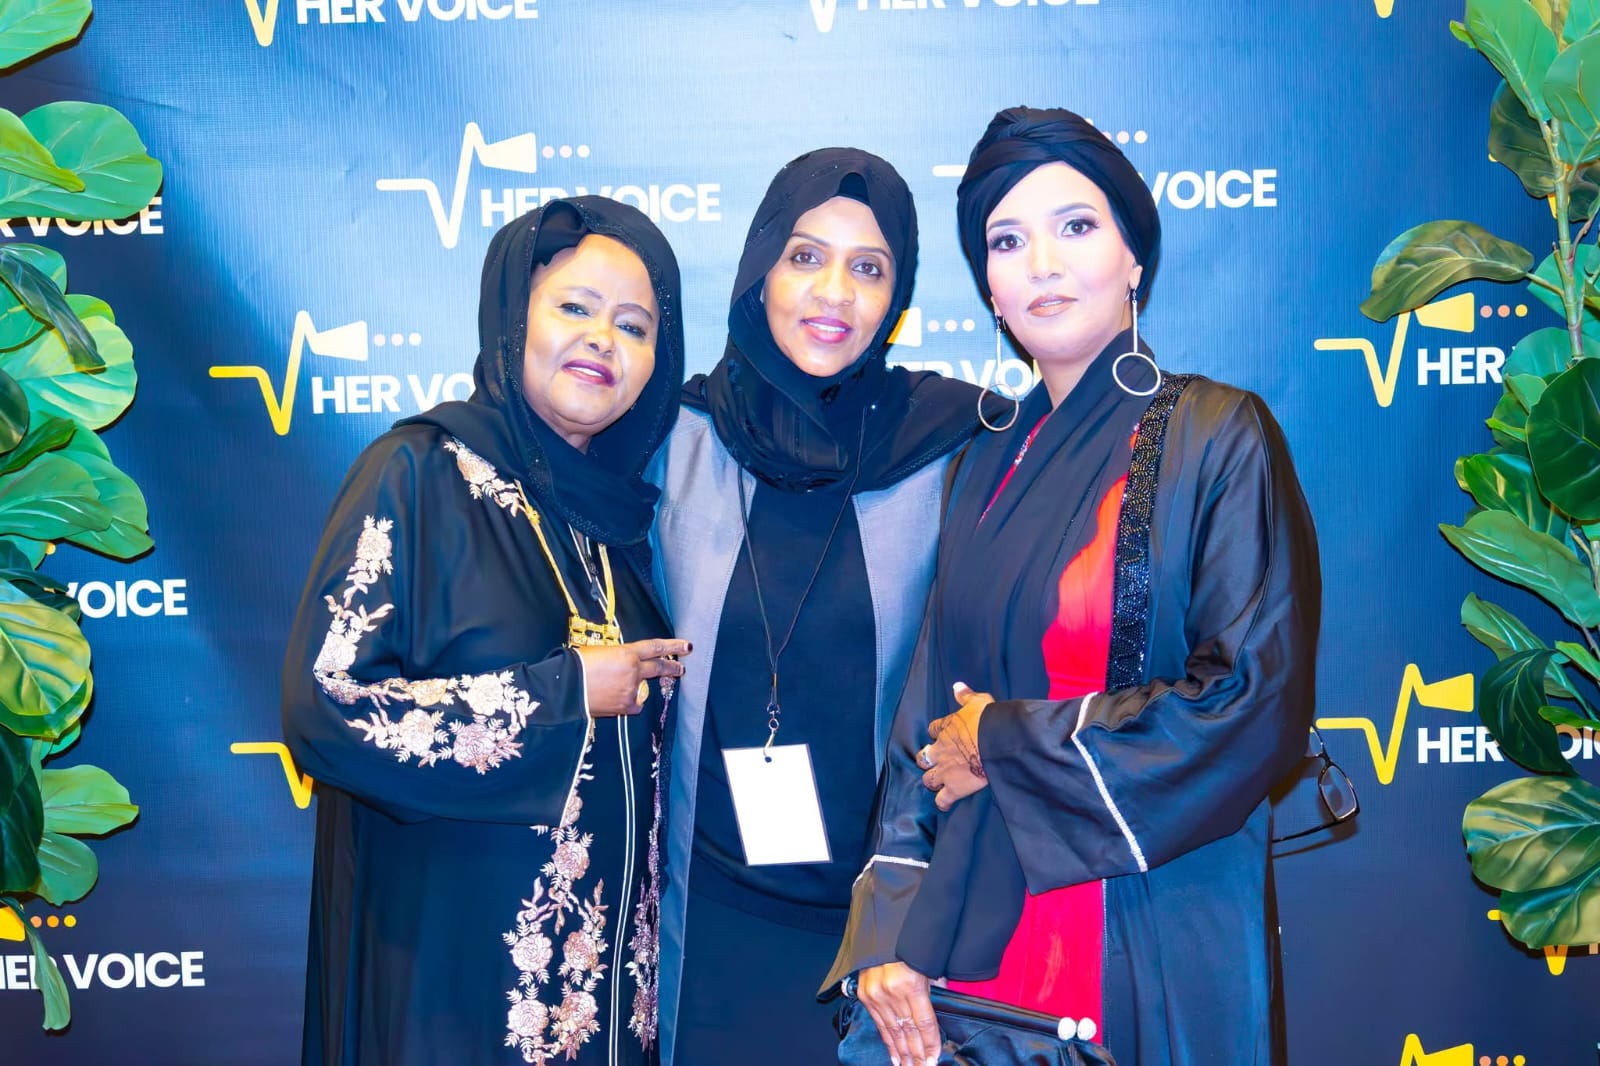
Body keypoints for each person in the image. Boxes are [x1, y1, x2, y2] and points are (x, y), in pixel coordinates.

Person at [826, 107, 1321, 1066]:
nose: (1042, 265)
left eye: (1076, 226)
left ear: (1134, 257)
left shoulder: (1215, 435)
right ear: (990, 288)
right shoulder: (981, 465)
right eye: (1007, 241)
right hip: (970, 954)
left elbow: (1250, 703)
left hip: (1149, 924)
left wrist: (1003, 744)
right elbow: (923, 714)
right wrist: (887, 931)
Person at [282, 197, 691, 1066]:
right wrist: (564, 693)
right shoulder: (417, 475)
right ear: (514, 317)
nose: (603, 340)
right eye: (574, 308)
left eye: (634, 326)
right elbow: (326, 705)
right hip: (453, 988)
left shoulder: (620, 527)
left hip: (608, 1013)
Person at [648, 148, 991, 1065]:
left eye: (868, 268)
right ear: (760, 269)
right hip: (702, 918)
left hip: (882, 943)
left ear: (897, 297)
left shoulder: (955, 446)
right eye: (805, 256)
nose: (833, 291)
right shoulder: (673, 439)